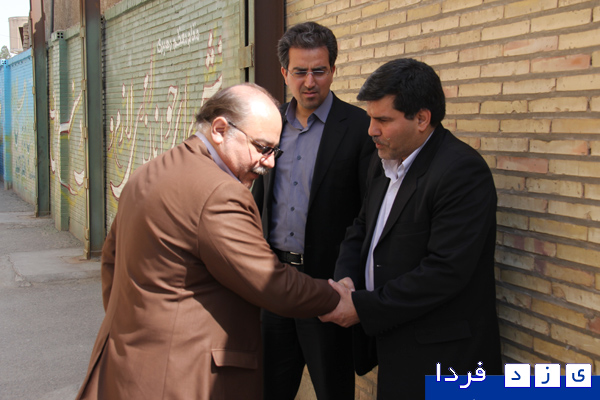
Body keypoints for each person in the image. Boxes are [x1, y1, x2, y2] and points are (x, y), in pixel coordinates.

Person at [76, 83, 340, 400]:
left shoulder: (148, 172)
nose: (270, 162)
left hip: (126, 367)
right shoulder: (220, 193)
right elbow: (270, 283)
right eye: (262, 148)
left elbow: (111, 261)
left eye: (274, 151)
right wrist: (336, 297)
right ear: (219, 130)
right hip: (182, 378)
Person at [320, 58, 503, 399]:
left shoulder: (462, 172)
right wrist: (346, 280)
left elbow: (445, 271)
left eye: (383, 120)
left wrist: (362, 307)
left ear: (422, 118)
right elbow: (362, 227)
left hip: (445, 361)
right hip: (395, 348)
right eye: (371, 118)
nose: (371, 130)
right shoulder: (384, 160)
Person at [252, 22, 374, 400]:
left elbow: (369, 212)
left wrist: (349, 281)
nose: (309, 82)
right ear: (284, 73)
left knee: (333, 390)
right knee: (269, 389)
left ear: (333, 70)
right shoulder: (270, 125)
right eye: (300, 71)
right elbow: (257, 196)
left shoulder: (359, 127)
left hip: (327, 287)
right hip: (274, 284)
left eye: (319, 71)